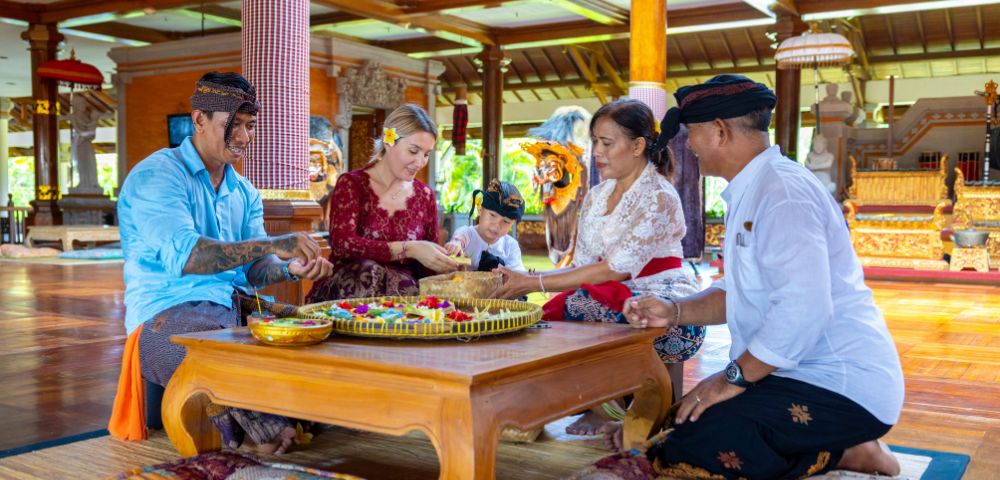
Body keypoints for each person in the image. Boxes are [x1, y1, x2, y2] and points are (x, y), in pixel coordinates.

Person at [588, 74, 903, 479]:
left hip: (838, 385)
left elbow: (804, 310)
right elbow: (741, 292)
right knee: (684, 420)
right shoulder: (752, 188)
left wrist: (731, 378)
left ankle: (847, 452)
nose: (689, 147)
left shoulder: (782, 195)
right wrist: (673, 311)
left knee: (704, 439)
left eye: (693, 135)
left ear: (719, 131)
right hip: (784, 374)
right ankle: (836, 449)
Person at [110, 72, 334, 455]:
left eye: (250, 126)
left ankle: (277, 426)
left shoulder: (243, 191)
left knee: (318, 331)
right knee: (218, 349)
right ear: (198, 120)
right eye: (235, 126)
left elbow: (255, 270)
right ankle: (267, 431)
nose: (245, 138)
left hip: (232, 305)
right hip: (163, 315)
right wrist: (274, 242)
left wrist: (288, 269)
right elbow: (190, 256)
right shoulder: (157, 175)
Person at [493, 99, 706, 436]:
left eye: (607, 143)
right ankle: (587, 404)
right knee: (541, 321)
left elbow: (615, 270)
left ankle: (606, 405)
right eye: (595, 142)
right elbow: (583, 266)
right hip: (607, 293)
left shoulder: (659, 196)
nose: (597, 152)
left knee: (579, 306)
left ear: (638, 146)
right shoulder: (596, 196)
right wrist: (526, 283)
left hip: (664, 303)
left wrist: (531, 282)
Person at [306, 104, 457, 302]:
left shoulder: (425, 196)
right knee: (368, 271)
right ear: (388, 141)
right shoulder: (352, 184)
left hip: (403, 303)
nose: (420, 162)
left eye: (426, 154)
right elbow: (343, 244)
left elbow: (425, 269)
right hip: (350, 296)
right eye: (413, 151)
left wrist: (447, 258)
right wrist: (409, 248)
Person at [444, 179, 526, 273]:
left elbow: (518, 275)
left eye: (506, 221)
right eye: (492, 215)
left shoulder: (510, 246)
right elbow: (459, 240)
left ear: (513, 224)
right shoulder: (467, 234)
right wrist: (455, 245)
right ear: (480, 210)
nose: (497, 225)